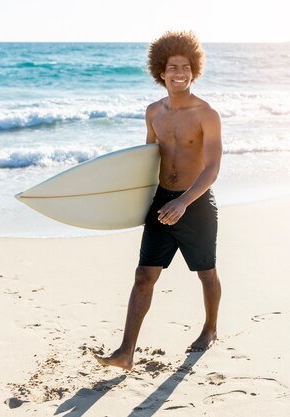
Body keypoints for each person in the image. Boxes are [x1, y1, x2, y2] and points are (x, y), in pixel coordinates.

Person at [94, 31, 222, 370]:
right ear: (160, 73)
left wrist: (184, 202)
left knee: (205, 272)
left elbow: (211, 168)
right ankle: (125, 352)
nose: (178, 73)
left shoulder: (206, 114)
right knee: (143, 276)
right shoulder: (153, 112)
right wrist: (130, 201)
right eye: (171, 68)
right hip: (162, 203)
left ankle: (209, 328)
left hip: (195, 206)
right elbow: (147, 160)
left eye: (184, 67)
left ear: (194, 71)